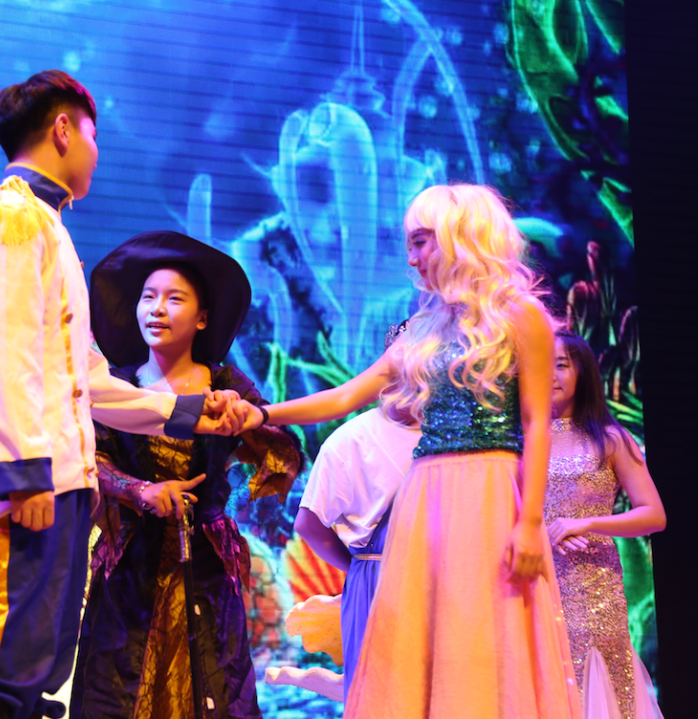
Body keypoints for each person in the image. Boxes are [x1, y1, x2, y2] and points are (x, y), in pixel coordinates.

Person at [0, 72, 240, 719]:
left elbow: (86, 381)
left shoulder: (49, 228)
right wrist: (23, 475)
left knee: (32, 679)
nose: (98, 153)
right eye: (94, 136)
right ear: (63, 129)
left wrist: (187, 411)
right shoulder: (11, 218)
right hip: (19, 492)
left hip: (59, 489)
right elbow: (2, 354)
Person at [239, 184, 582, 718]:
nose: (412, 257)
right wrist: (261, 414)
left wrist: (532, 521)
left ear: (460, 236)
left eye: (422, 241)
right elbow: (345, 396)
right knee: (424, 638)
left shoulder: (521, 316)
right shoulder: (423, 328)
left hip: (491, 492)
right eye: (410, 244)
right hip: (428, 496)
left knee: (488, 627)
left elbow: (538, 423)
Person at [70, 231, 303, 719]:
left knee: (212, 685)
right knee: (119, 688)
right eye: (148, 297)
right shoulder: (117, 385)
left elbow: (284, 448)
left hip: (206, 567)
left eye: (174, 299)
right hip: (131, 566)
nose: (157, 309)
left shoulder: (225, 383)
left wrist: (245, 420)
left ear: (202, 318)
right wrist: (140, 490)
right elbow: (90, 458)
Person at [293, 322, 420, 700]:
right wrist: (361, 569)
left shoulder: (451, 438)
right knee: (379, 696)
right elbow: (309, 523)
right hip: (377, 583)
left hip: (438, 580)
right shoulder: (352, 438)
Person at [547, 329, 666, 718]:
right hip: (538, 581)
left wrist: (585, 524)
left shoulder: (611, 439)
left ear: (582, 372)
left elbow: (653, 515)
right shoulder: (519, 444)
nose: (549, 375)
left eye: (560, 365)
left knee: (601, 686)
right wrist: (544, 533)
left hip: (593, 587)